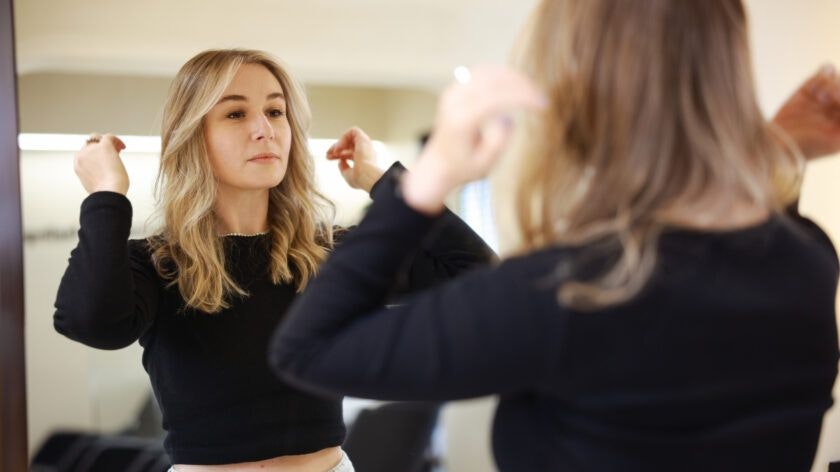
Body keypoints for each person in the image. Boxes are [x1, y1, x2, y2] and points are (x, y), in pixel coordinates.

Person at [268, 1, 840, 470]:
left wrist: (427, 181)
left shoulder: (571, 289)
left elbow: (310, 348)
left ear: (575, 91)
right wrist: (770, 151)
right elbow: (724, 235)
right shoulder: (807, 260)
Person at [53, 49, 494, 472]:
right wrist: (106, 195)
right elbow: (93, 323)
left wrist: (381, 179)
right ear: (193, 136)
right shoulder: (158, 262)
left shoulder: (330, 253)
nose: (265, 129)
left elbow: (476, 271)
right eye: (235, 113)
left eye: (275, 111)